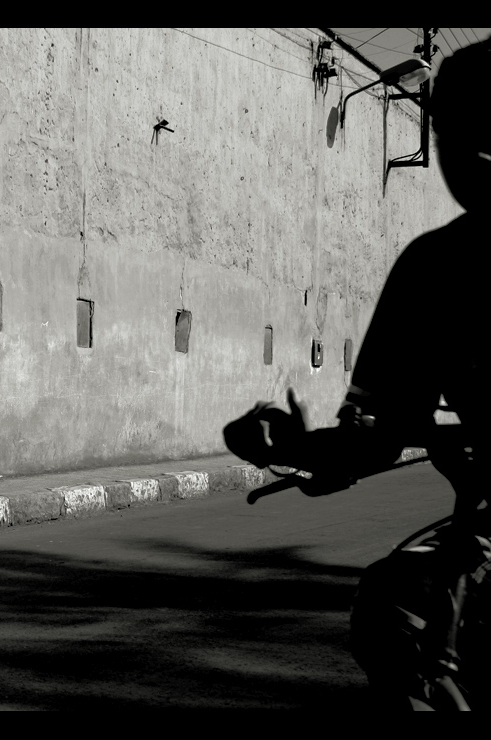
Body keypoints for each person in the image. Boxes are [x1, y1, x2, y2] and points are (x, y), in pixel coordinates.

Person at [224, 37, 490, 708]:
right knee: (392, 612)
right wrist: (293, 444)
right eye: (460, 134)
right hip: (488, 533)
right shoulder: (434, 271)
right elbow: (377, 429)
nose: (482, 155)